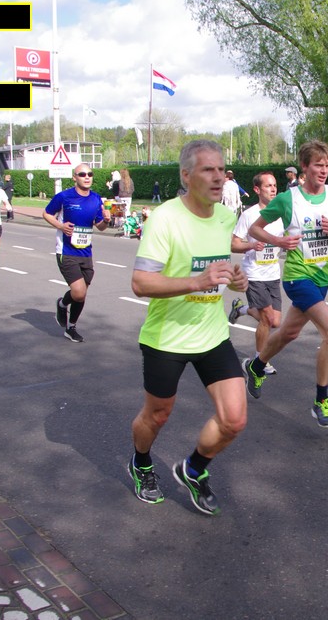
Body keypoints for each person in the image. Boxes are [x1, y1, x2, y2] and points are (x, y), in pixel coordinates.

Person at [126, 139, 249, 515]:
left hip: (212, 334)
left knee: (234, 419)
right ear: (186, 175)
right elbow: (140, 283)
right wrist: (197, 281)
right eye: (208, 169)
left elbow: (218, 271)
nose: (219, 177)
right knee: (158, 415)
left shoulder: (225, 217)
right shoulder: (165, 219)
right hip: (168, 337)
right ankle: (141, 462)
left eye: (221, 169)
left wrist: (236, 280)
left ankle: (193, 469)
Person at [243, 140, 328, 429]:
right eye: (318, 165)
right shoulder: (288, 199)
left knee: (288, 333)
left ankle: (256, 366)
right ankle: (321, 401)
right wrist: (279, 241)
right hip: (297, 277)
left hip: (322, 278)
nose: (324, 170)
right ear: (304, 167)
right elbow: (255, 229)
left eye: (327, 165)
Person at [43, 164, 111, 343]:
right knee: (79, 292)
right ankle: (62, 304)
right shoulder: (64, 197)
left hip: (86, 253)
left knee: (81, 294)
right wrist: (61, 226)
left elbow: (100, 227)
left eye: (90, 174)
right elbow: (46, 214)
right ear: (75, 177)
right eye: (82, 174)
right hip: (66, 251)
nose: (87, 177)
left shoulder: (96, 198)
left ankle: (71, 327)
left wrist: (106, 220)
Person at [229, 171, 284, 376]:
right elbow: (234, 244)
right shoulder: (249, 215)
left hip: (273, 273)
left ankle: (241, 309)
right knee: (267, 319)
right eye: (268, 186)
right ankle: (260, 361)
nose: (273, 189)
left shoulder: (281, 214)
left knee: (275, 321)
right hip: (253, 274)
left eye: (275, 185)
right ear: (257, 189)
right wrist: (251, 245)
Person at [118, 169, 135, 237]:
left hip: (122, 197)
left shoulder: (121, 180)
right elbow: (133, 189)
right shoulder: (130, 180)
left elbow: (121, 188)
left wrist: (122, 193)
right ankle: (128, 222)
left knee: (122, 211)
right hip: (129, 197)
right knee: (128, 209)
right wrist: (129, 193)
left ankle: (123, 224)